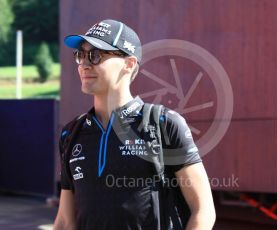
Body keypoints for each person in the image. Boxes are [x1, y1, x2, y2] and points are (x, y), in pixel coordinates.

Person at [53, 19, 216, 230]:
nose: (84, 63)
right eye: (80, 55)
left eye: (95, 55)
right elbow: (66, 221)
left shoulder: (164, 123)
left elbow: (203, 210)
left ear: (129, 64)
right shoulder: (71, 133)